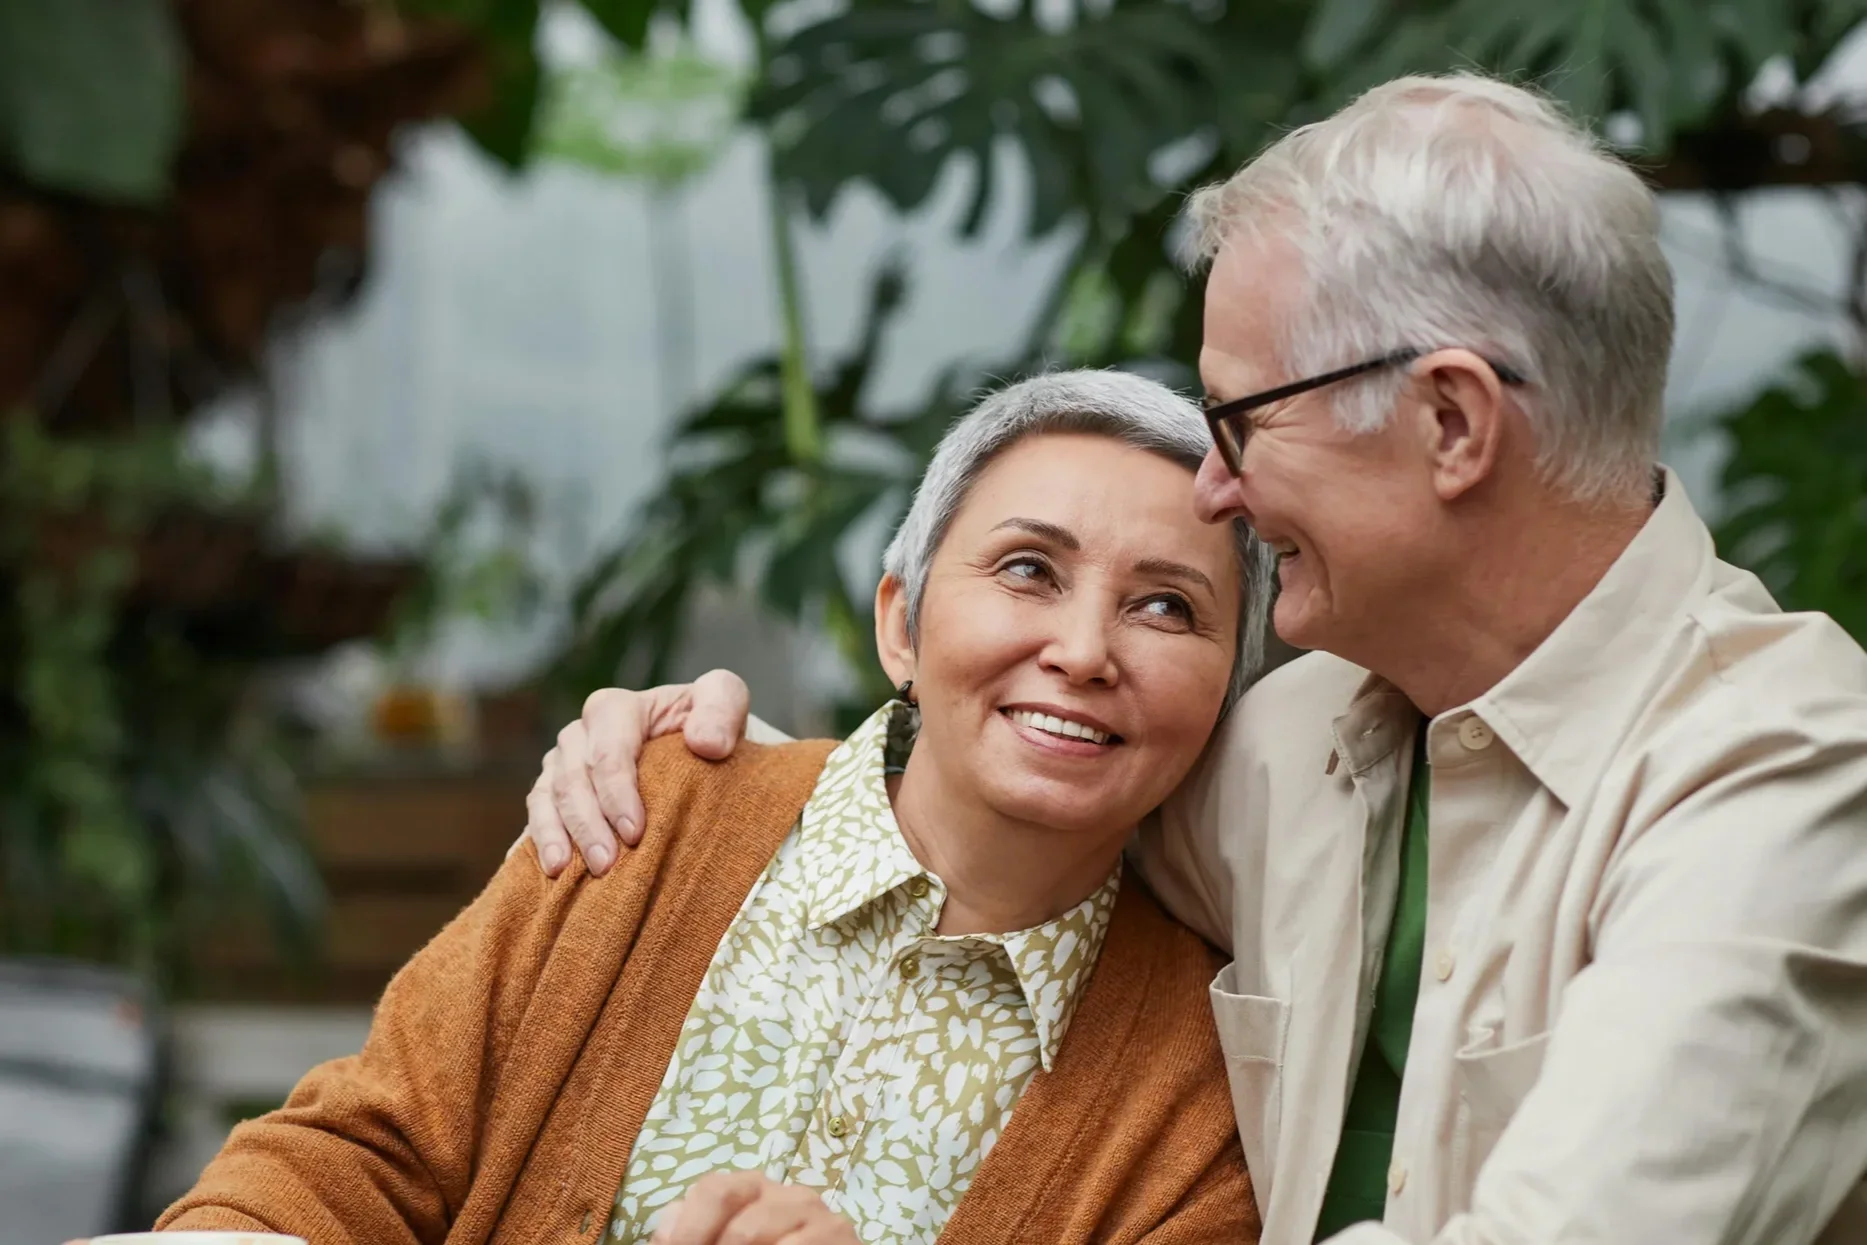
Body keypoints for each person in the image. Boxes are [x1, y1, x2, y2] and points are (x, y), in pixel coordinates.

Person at [519, 73, 1867, 1245]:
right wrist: (694, 778)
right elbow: (1002, 792)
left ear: (1449, 422)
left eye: (1241, 418)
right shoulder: (1299, 739)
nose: (1214, 489)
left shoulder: (1791, 777)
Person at [157, 370, 1268, 1245]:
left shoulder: (1197, 1096)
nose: (1080, 652)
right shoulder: (653, 812)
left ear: (1228, 687)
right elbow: (372, 1150)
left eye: (1166, 606)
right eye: (1028, 570)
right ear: (900, 626)